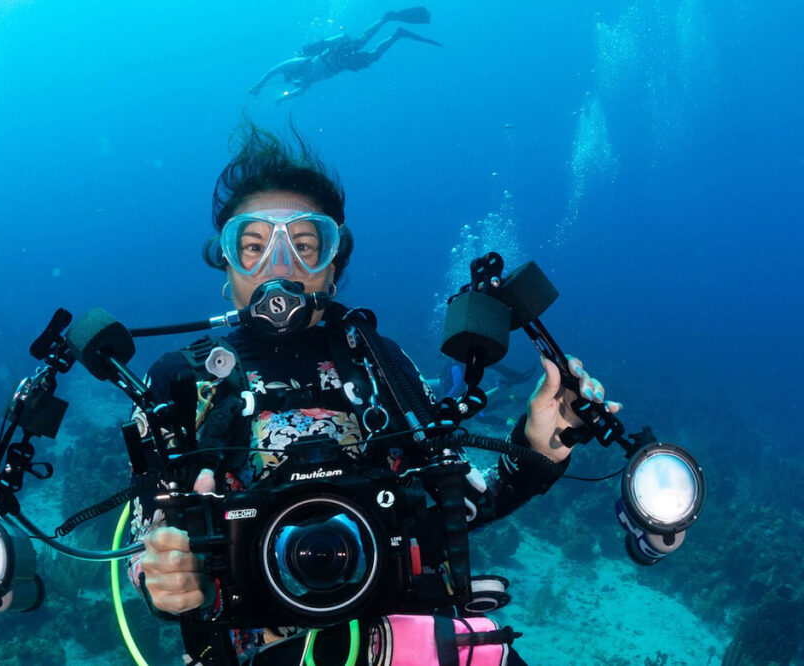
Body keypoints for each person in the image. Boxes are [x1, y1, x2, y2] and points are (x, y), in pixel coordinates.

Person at [126, 123, 621, 665]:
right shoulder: (180, 378)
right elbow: (147, 538)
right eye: (252, 246)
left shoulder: (378, 360)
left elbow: (455, 509)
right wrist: (165, 578)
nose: (281, 264)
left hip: (406, 642)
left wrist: (538, 449)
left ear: (333, 263)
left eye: (306, 244)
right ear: (226, 264)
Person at [249, 7, 443, 103]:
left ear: (291, 75)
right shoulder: (304, 81)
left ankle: (385, 19)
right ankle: (397, 34)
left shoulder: (296, 64)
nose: (294, 80)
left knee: (361, 41)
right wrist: (282, 99)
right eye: (293, 80)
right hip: (340, 66)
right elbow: (298, 92)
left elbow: (273, 71)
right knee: (372, 57)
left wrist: (258, 86)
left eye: (292, 78)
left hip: (333, 56)